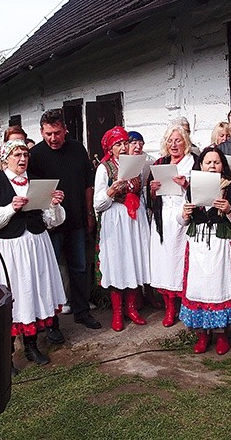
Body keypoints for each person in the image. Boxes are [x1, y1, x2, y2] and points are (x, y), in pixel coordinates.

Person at [0, 139, 66, 367]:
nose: (22, 159)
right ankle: (6, 355)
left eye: (25, 155)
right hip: (12, 248)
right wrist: (10, 208)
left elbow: (51, 221)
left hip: (37, 244)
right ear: (5, 158)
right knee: (17, 294)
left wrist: (54, 205)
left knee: (34, 291)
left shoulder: (36, 182)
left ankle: (31, 345)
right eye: (17, 155)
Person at [28, 108, 101, 330]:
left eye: (57, 133)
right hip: (50, 226)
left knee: (79, 268)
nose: (53, 138)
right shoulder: (36, 156)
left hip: (77, 220)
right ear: (41, 132)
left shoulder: (78, 149)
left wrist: (90, 214)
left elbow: (88, 185)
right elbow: (32, 192)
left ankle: (82, 311)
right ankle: (52, 321)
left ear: (65, 130)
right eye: (48, 133)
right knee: (50, 271)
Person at [179, 146, 231, 355]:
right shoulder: (191, 189)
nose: (211, 166)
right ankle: (202, 334)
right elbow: (180, 221)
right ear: (200, 165)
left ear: (222, 166)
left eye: (216, 162)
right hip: (198, 245)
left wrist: (229, 210)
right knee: (199, 286)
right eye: (207, 162)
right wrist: (184, 213)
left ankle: (221, 334)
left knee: (219, 285)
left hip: (221, 245)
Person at [94, 127, 151, 331]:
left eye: (125, 143)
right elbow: (98, 203)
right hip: (115, 218)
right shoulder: (104, 168)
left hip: (134, 218)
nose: (123, 147)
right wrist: (110, 191)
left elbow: (142, 190)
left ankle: (132, 307)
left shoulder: (135, 164)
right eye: (118, 144)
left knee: (134, 260)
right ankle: (117, 312)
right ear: (110, 148)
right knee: (119, 262)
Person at [148, 124, 197, 327]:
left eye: (178, 140)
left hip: (184, 217)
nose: (174, 144)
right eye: (170, 140)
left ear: (185, 142)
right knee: (165, 264)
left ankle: (186, 306)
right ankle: (169, 308)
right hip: (162, 220)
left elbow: (201, 192)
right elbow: (150, 198)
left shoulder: (193, 162)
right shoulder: (161, 163)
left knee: (182, 261)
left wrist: (187, 185)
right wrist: (152, 189)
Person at [127, 130, 162, 310]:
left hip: (142, 210)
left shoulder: (146, 162)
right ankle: (135, 295)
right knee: (133, 253)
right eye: (134, 143)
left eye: (140, 143)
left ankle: (149, 292)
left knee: (145, 251)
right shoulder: (121, 164)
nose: (138, 147)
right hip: (127, 212)